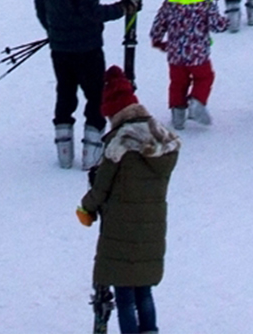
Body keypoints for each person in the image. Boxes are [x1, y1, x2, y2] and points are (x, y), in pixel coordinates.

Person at [77, 65, 178, 334]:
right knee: (144, 292)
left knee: (124, 297)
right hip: (152, 230)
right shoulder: (160, 142)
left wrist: (86, 208)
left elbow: (102, 187)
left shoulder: (119, 145)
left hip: (121, 232)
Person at [37, 0, 136, 168]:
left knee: (65, 93)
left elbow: (40, 2)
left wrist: (52, 30)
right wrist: (123, 8)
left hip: (60, 47)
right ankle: (91, 156)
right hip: (87, 48)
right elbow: (91, 12)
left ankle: (64, 154)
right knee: (95, 96)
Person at [146, 0, 231, 131]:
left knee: (178, 83)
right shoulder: (205, 4)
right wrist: (226, 21)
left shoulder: (170, 2)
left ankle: (178, 115)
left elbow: (158, 24)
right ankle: (197, 102)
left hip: (175, 55)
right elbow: (217, 25)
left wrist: (157, 40)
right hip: (198, 54)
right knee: (205, 78)